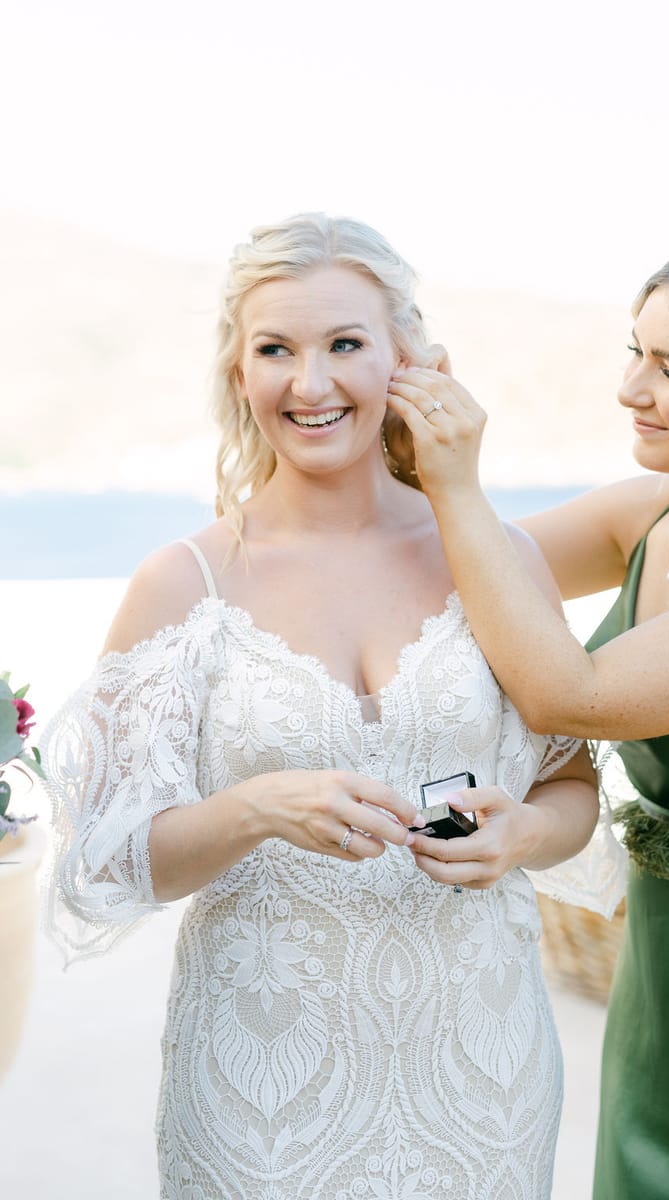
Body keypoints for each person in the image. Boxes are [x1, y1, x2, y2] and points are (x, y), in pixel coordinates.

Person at [41, 213, 606, 1200]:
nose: (309, 384)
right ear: (237, 374)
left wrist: (518, 836)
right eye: (275, 350)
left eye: (344, 344)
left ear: (412, 360)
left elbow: (569, 788)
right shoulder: (184, 585)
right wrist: (253, 809)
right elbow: (104, 857)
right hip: (261, 1094)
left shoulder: (495, 559)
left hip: (481, 1071)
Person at [386, 231, 669, 1200]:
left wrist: (455, 481)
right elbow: (461, 572)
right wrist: (407, 438)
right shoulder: (646, 512)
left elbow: (568, 694)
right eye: (632, 351)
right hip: (665, 970)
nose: (629, 389)